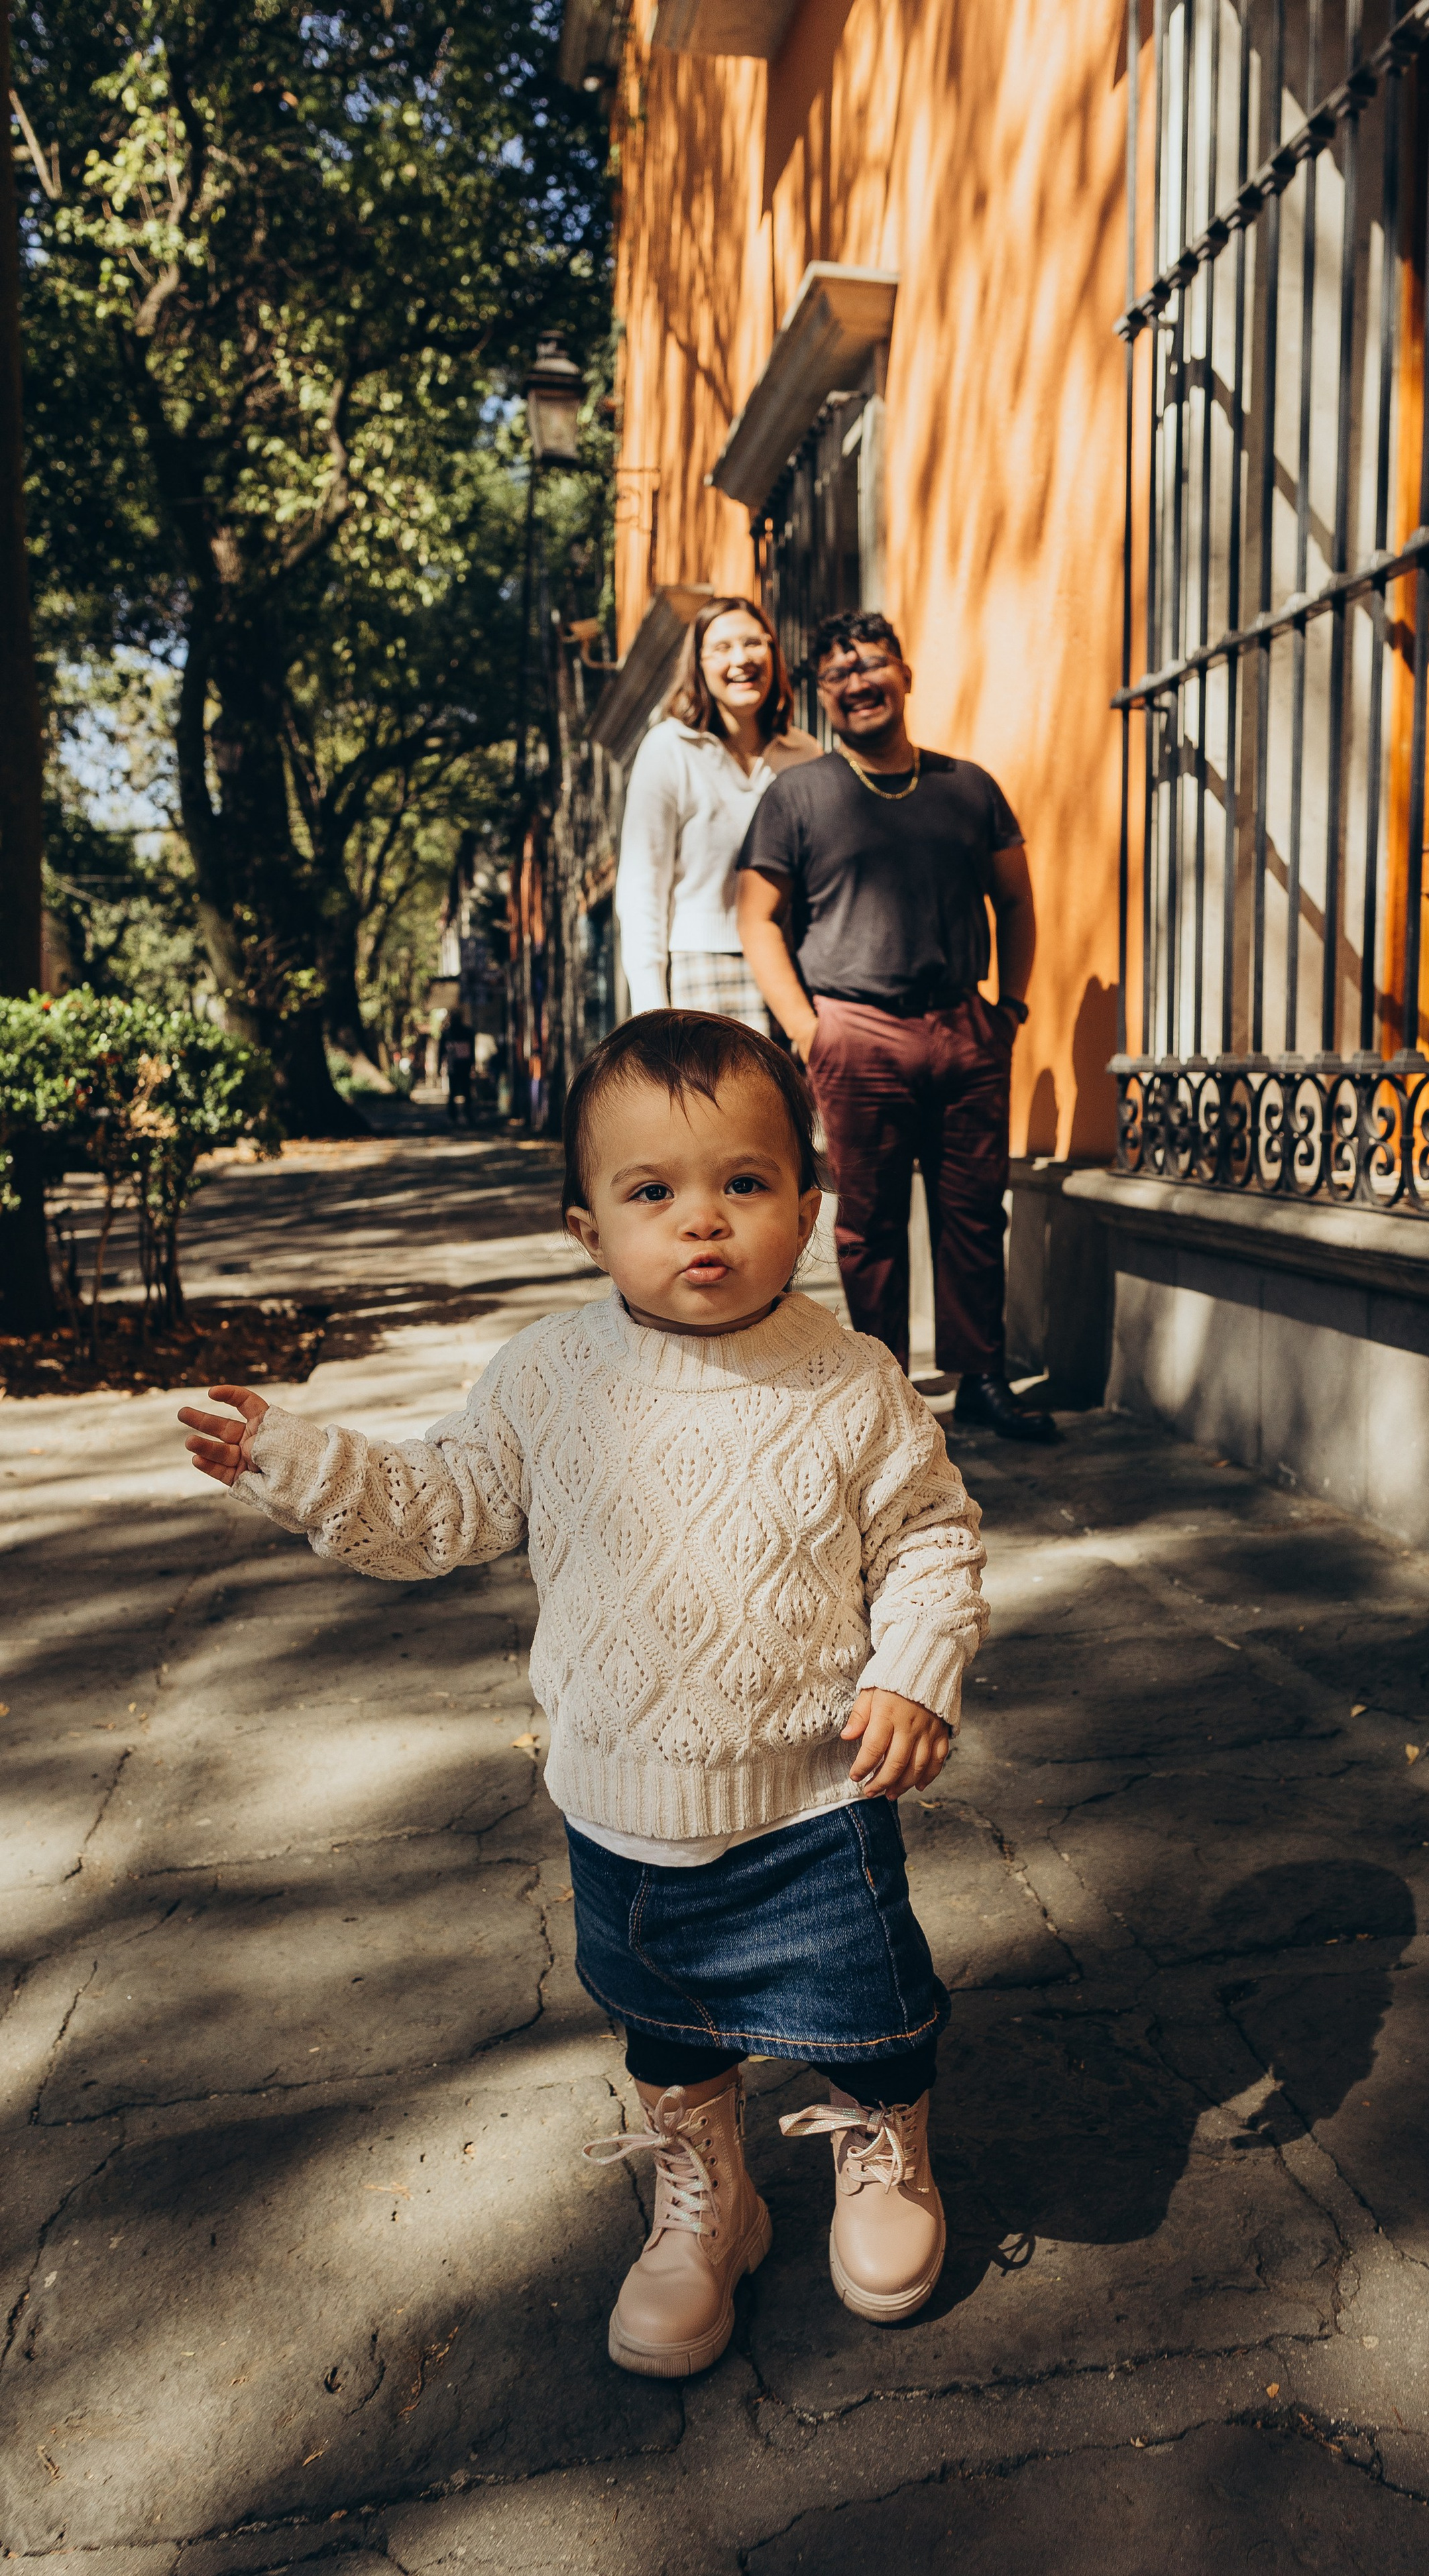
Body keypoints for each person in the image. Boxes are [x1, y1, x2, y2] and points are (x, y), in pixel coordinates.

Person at [175, 1010, 986, 2381]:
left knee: (868, 2003)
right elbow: (441, 1507)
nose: (703, 1223)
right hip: (618, 1805)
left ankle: (878, 2147)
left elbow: (928, 1535)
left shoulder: (853, 1383)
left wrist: (914, 1665)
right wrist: (300, 1463)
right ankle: (704, 2194)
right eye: (651, 1192)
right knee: (663, 2023)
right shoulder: (545, 1376)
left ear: (808, 1200)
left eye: (744, 1183)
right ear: (584, 1225)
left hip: (812, 1796)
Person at [736, 608, 1058, 1443]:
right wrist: (807, 1029)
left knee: (974, 1214)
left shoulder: (968, 786)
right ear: (822, 696)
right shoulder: (798, 796)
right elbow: (757, 917)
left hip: (963, 1031)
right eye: (837, 674)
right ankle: (883, 1393)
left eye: (871, 664)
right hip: (855, 1034)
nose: (856, 683)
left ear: (904, 675)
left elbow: (1017, 900)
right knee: (868, 1222)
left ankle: (982, 1377)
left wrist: (1010, 1010)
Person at [616, 598, 820, 1033]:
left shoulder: (805, 755)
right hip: (702, 973)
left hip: (797, 971)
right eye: (722, 648)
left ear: (773, 653)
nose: (741, 659)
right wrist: (651, 1013)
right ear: (699, 665)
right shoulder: (669, 748)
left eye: (752, 643)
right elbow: (641, 886)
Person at [439, 1009, 474, 1123]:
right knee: (465, 1091)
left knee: (455, 1091)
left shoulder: (448, 1033)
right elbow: (472, 1051)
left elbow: (441, 1052)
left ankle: (455, 1115)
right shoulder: (466, 1032)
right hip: (462, 1066)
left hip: (455, 1066)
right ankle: (465, 1114)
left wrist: (440, 1065)